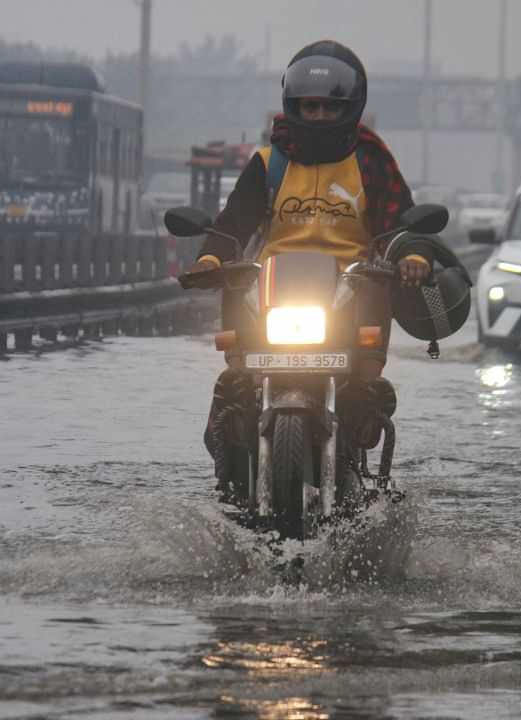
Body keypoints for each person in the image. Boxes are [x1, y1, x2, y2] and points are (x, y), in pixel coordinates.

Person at [184, 40, 431, 497]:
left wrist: (413, 258)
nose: (317, 115)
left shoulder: (372, 163)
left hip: (351, 289)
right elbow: (232, 224)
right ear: (293, 105)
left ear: (350, 108)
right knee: (232, 384)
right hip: (274, 289)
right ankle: (230, 463)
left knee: (365, 390)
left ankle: (361, 424)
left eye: (328, 107)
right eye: (309, 107)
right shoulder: (267, 162)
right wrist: (210, 258)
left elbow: (401, 226)